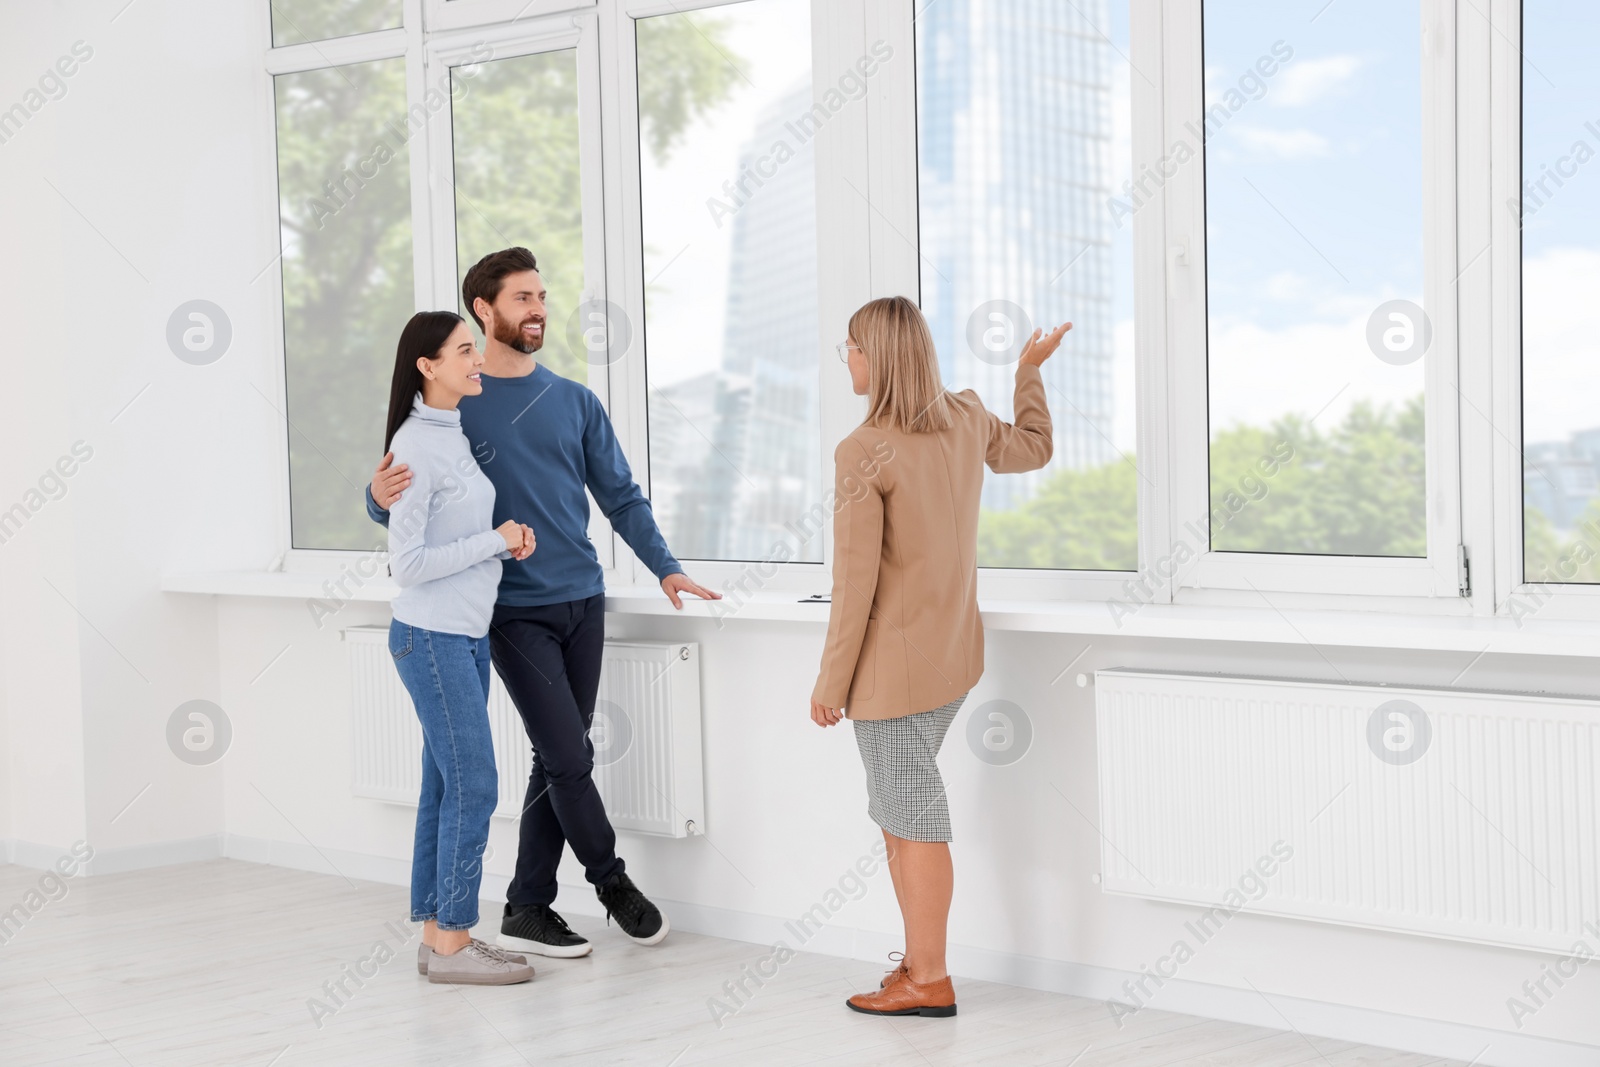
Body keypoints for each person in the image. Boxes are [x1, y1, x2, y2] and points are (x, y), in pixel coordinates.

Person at [368, 248, 721, 959]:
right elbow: (403, 496)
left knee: (556, 757)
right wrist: (372, 501)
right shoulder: (458, 402)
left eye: (542, 296)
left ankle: (528, 905)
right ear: (484, 308)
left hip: (582, 600)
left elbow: (619, 495)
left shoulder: (574, 400)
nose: (538, 309)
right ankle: (612, 882)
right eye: (522, 297)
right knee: (567, 755)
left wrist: (666, 567)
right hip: (510, 609)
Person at [810, 295, 1068, 1017]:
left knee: (911, 818)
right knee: (901, 811)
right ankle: (918, 965)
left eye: (853, 347)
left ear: (880, 357)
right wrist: (1027, 373)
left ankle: (930, 978)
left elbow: (853, 581)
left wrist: (831, 681)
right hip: (953, 654)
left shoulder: (863, 450)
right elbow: (1034, 447)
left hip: (892, 672)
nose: (849, 359)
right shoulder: (964, 417)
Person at [384, 310, 538, 986]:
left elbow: (458, 530)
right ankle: (455, 939)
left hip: (462, 637)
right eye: (464, 350)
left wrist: (504, 541)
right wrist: (497, 539)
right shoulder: (417, 445)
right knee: (475, 785)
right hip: (433, 635)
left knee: (445, 787)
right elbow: (408, 564)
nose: (478, 360)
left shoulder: (447, 434)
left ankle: (433, 932)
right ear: (428, 365)